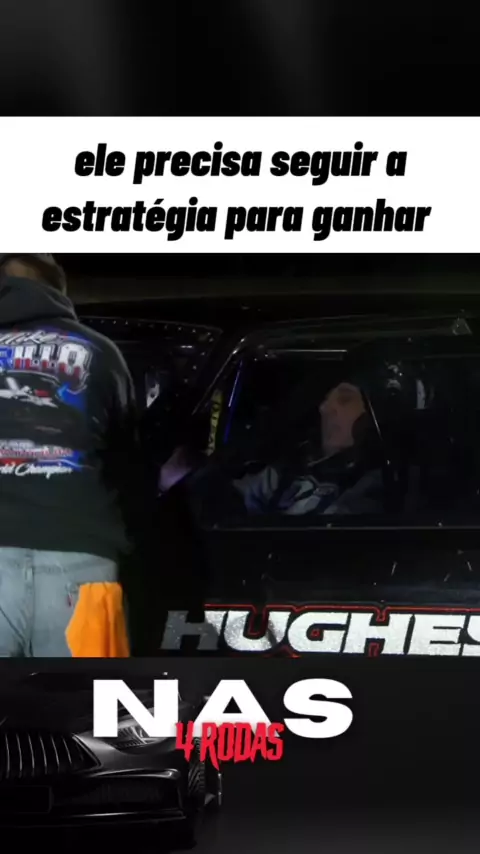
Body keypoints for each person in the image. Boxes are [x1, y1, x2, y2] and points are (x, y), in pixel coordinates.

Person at [0, 254, 143, 656]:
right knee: (85, 693)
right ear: (58, 289)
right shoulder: (99, 350)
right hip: (82, 553)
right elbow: (128, 461)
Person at [232, 379, 384, 516]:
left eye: (345, 399)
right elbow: (243, 493)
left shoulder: (375, 483)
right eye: (327, 400)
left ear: (369, 418)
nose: (328, 408)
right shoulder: (292, 465)